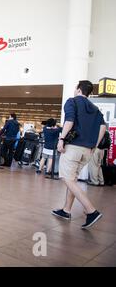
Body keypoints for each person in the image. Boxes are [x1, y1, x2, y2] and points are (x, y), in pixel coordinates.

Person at [52, 80, 107, 229]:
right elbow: (103, 127)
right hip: (88, 150)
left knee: (66, 178)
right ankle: (66, 210)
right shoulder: (95, 108)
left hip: (73, 148)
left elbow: (69, 121)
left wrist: (61, 139)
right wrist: (94, 145)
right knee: (73, 179)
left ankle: (91, 211)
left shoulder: (72, 102)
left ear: (78, 89)